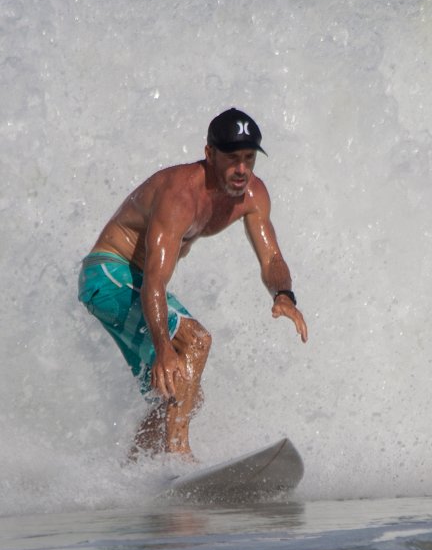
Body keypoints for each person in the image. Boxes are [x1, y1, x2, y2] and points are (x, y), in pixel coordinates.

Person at [78, 108, 308, 460]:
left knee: (183, 392)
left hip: (138, 283)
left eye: (249, 158)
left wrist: (284, 294)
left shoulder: (253, 195)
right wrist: (163, 347)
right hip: (108, 274)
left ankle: (135, 468)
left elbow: (272, 258)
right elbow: (154, 280)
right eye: (232, 159)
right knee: (195, 341)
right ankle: (178, 456)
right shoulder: (180, 197)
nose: (242, 169)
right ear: (209, 154)